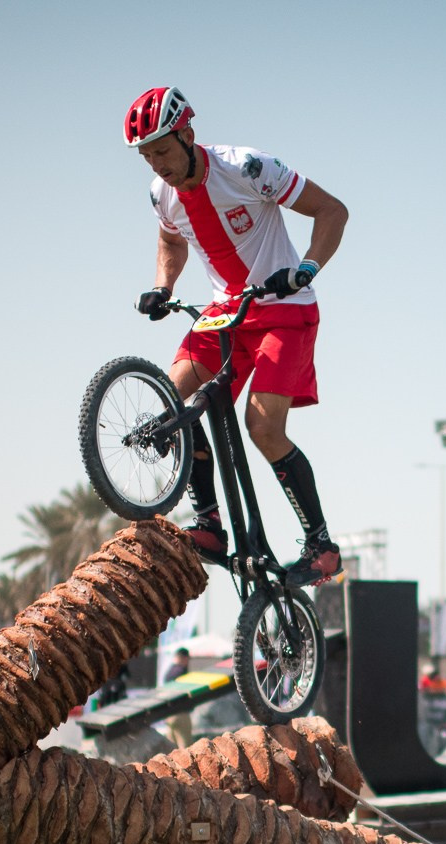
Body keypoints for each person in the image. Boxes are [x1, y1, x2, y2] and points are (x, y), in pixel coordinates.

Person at [126, 86, 352, 588]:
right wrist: (164, 287)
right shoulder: (160, 192)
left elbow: (332, 211)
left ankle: (322, 546)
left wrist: (307, 268)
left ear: (187, 133)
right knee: (172, 402)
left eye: (162, 149)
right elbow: (170, 238)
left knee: (262, 427)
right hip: (226, 315)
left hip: (284, 311)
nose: (157, 164)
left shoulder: (248, 168)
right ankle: (209, 523)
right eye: (147, 156)